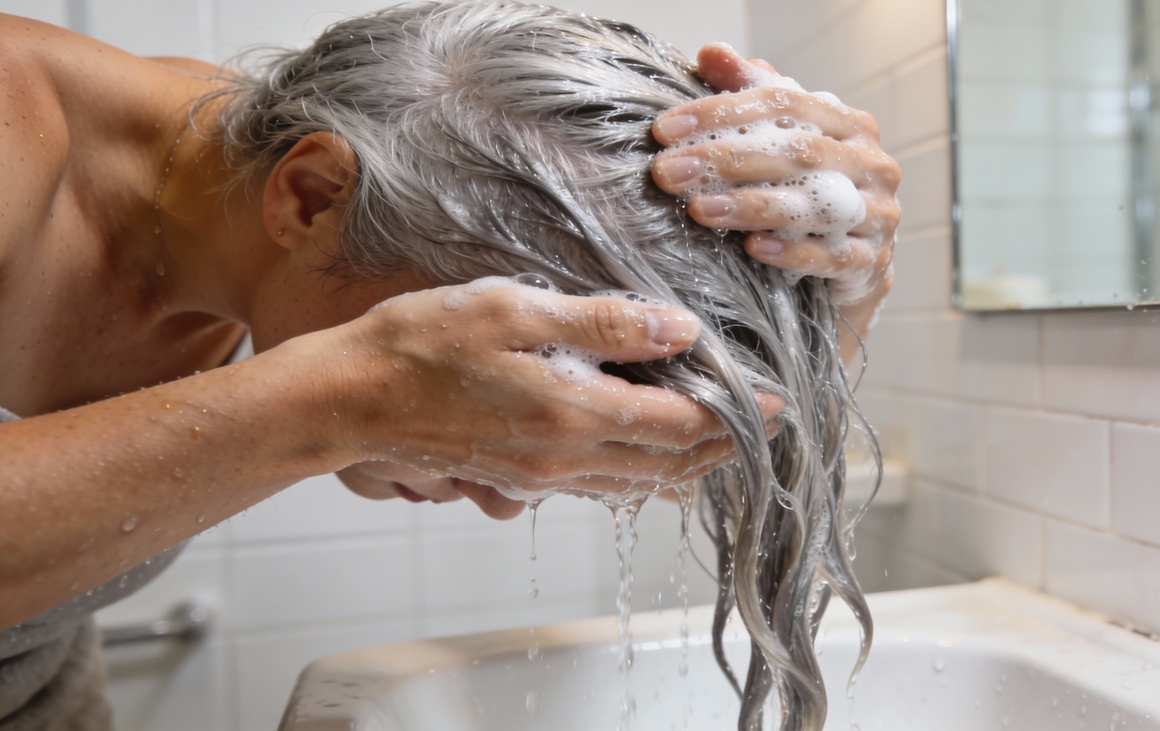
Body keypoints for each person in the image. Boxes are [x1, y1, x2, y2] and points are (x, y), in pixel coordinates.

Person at [0, 2, 899, 729]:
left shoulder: (248, 215)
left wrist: (817, 311)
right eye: (462, 351)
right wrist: (346, 401)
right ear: (309, 194)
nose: (508, 493)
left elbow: (660, 458)